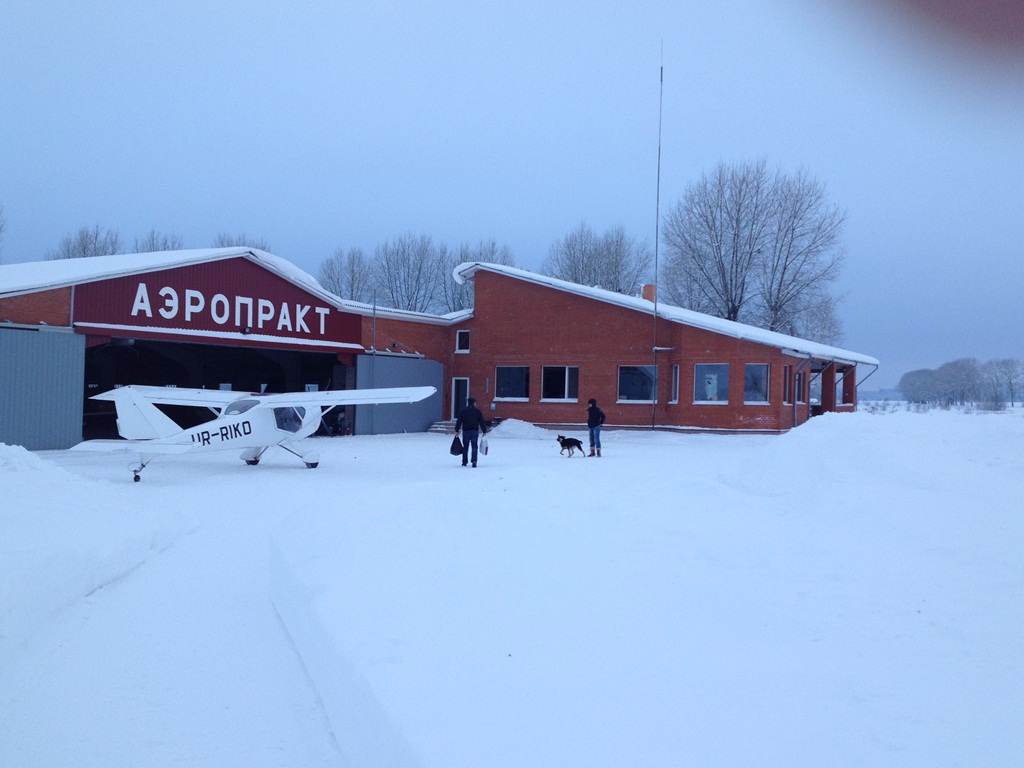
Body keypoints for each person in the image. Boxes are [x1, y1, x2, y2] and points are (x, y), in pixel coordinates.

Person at [455, 397, 487, 467]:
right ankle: (474, 461)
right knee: (474, 446)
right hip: (474, 431)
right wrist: (484, 430)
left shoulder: (463, 411)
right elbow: (481, 421)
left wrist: (457, 430)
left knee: (465, 447)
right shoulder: (477, 411)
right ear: (474, 403)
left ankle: (464, 461)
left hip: (466, 431)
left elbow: (459, 421)